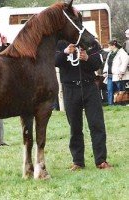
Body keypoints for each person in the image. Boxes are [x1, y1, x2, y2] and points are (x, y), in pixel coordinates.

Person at [55, 40, 111, 170]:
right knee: (75, 126)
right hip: (70, 88)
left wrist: (87, 58)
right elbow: (55, 62)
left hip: (89, 86)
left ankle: (101, 160)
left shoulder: (89, 41)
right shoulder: (59, 43)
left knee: (97, 124)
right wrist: (65, 53)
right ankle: (78, 162)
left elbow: (98, 63)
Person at [103, 40, 129, 105]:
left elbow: (125, 61)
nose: (109, 47)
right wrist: (105, 71)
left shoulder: (122, 52)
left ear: (114, 46)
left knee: (120, 90)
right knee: (109, 90)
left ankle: (121, 103)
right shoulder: (110, 53)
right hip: (109, 75)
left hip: (118, 75)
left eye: (109, 46)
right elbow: (107, 63)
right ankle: (110, 104)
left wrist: (122, 72)